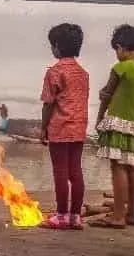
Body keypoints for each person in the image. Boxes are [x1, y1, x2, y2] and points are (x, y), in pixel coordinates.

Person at [91, 24, 134, 229]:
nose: (116, 55)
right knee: (133, 168)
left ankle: (117, 216)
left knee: (117, 167)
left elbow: (106, 96)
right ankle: (131, 214)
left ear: (120, 47)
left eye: (116, 50)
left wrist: (99, 120)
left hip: (118, 122)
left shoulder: (121, 67)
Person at [38, 23, 90, 230]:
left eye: (53, 44)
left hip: (60, 128)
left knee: (60, 171)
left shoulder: (54, 72)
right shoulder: (83, 73)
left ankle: (61, 215)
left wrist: (43, 127)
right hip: (79, 127)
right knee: (75, 171)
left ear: (58, 46)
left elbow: (48, 104)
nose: (52, 48)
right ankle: (75, 216)